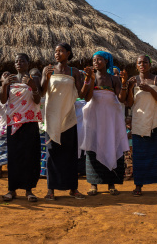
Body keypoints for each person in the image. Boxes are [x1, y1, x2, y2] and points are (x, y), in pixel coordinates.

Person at [41, 43, 89, 200]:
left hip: (68, 117)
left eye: (60, 51)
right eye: (55, 51)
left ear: (68, 53)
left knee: (69, 154)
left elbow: (81, 93)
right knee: (52, 154)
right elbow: (42, 91)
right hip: (52, 117)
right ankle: (51, 190)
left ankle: (73, 189)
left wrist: (89, 80)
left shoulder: (74, 71)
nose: (57, 53)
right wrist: (46, 77)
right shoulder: (48, 69)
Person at [81, 51, 130, 196]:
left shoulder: (113, 79)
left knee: (111, 144)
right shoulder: (92, 77)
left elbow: (121, 99)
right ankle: (93, 185)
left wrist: (123, 83)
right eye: (94, 60)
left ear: (107, 61)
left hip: (111, 118)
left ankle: (111, 184)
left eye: (99, 60)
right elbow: (88, 98)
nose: (96, 62)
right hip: (93, 117)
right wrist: (89, 80)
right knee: (92, 146)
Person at [126, 55, 157, 197]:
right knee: (140, 155)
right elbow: (129, 103)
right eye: (139, 62)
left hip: (155, 122)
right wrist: (128, 88)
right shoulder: (132, 80)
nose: (142, 64)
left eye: (145, 62)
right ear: (136, 65)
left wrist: (151, 90)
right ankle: (138, 186)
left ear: (150, 65)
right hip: (139, 122)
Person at [0, 54, 42, 202]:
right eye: (16, 61)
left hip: (30, 121)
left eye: (22, 61)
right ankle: (12, 189)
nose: (19, 63)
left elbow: (37, 100)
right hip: (14, 122)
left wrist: (33, 86)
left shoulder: (34, 78)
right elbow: (3, 100)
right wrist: (4, 85)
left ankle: (29, 190)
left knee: (29, 156)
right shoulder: (9, 79)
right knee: (14, 156)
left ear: (28, 63)